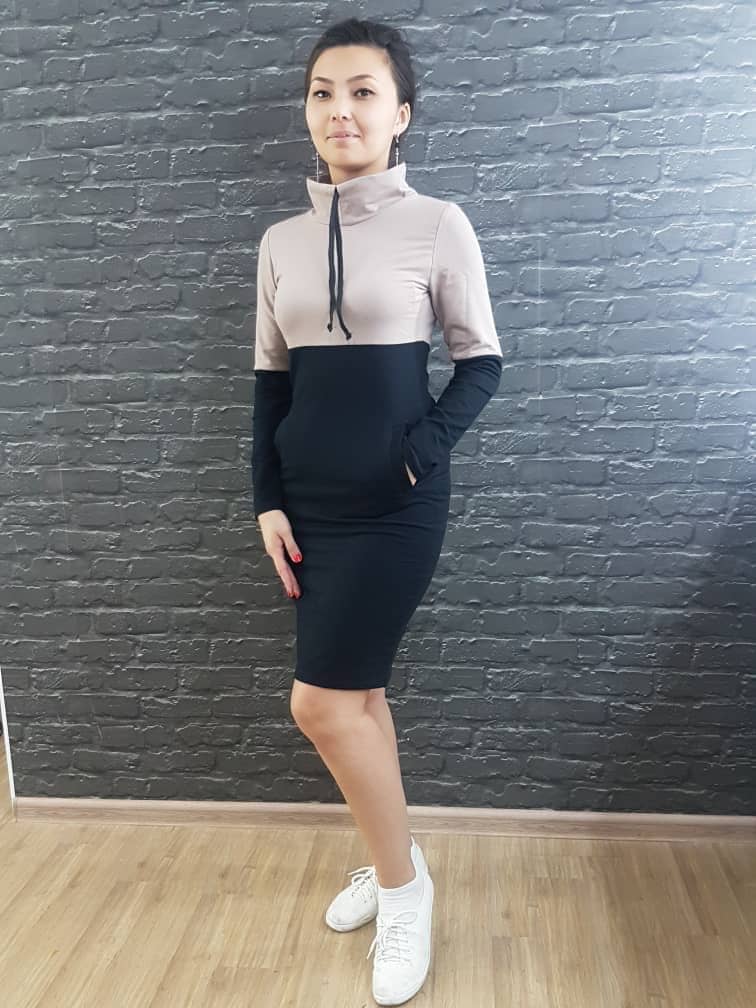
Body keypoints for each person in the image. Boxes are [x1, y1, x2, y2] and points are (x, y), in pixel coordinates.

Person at [251, 17, 502, 1007]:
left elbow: (481, 364)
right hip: (307, 508)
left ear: (401, 114)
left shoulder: (438, 224)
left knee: (319, 705)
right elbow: (270, 387)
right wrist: (266, 499)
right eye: (324, 92)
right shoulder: (280, 242)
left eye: (363, 92)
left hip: (394, 511)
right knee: (358, 703)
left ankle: (404, 895)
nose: (340, 110)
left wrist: (414, 456)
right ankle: (397, 857)